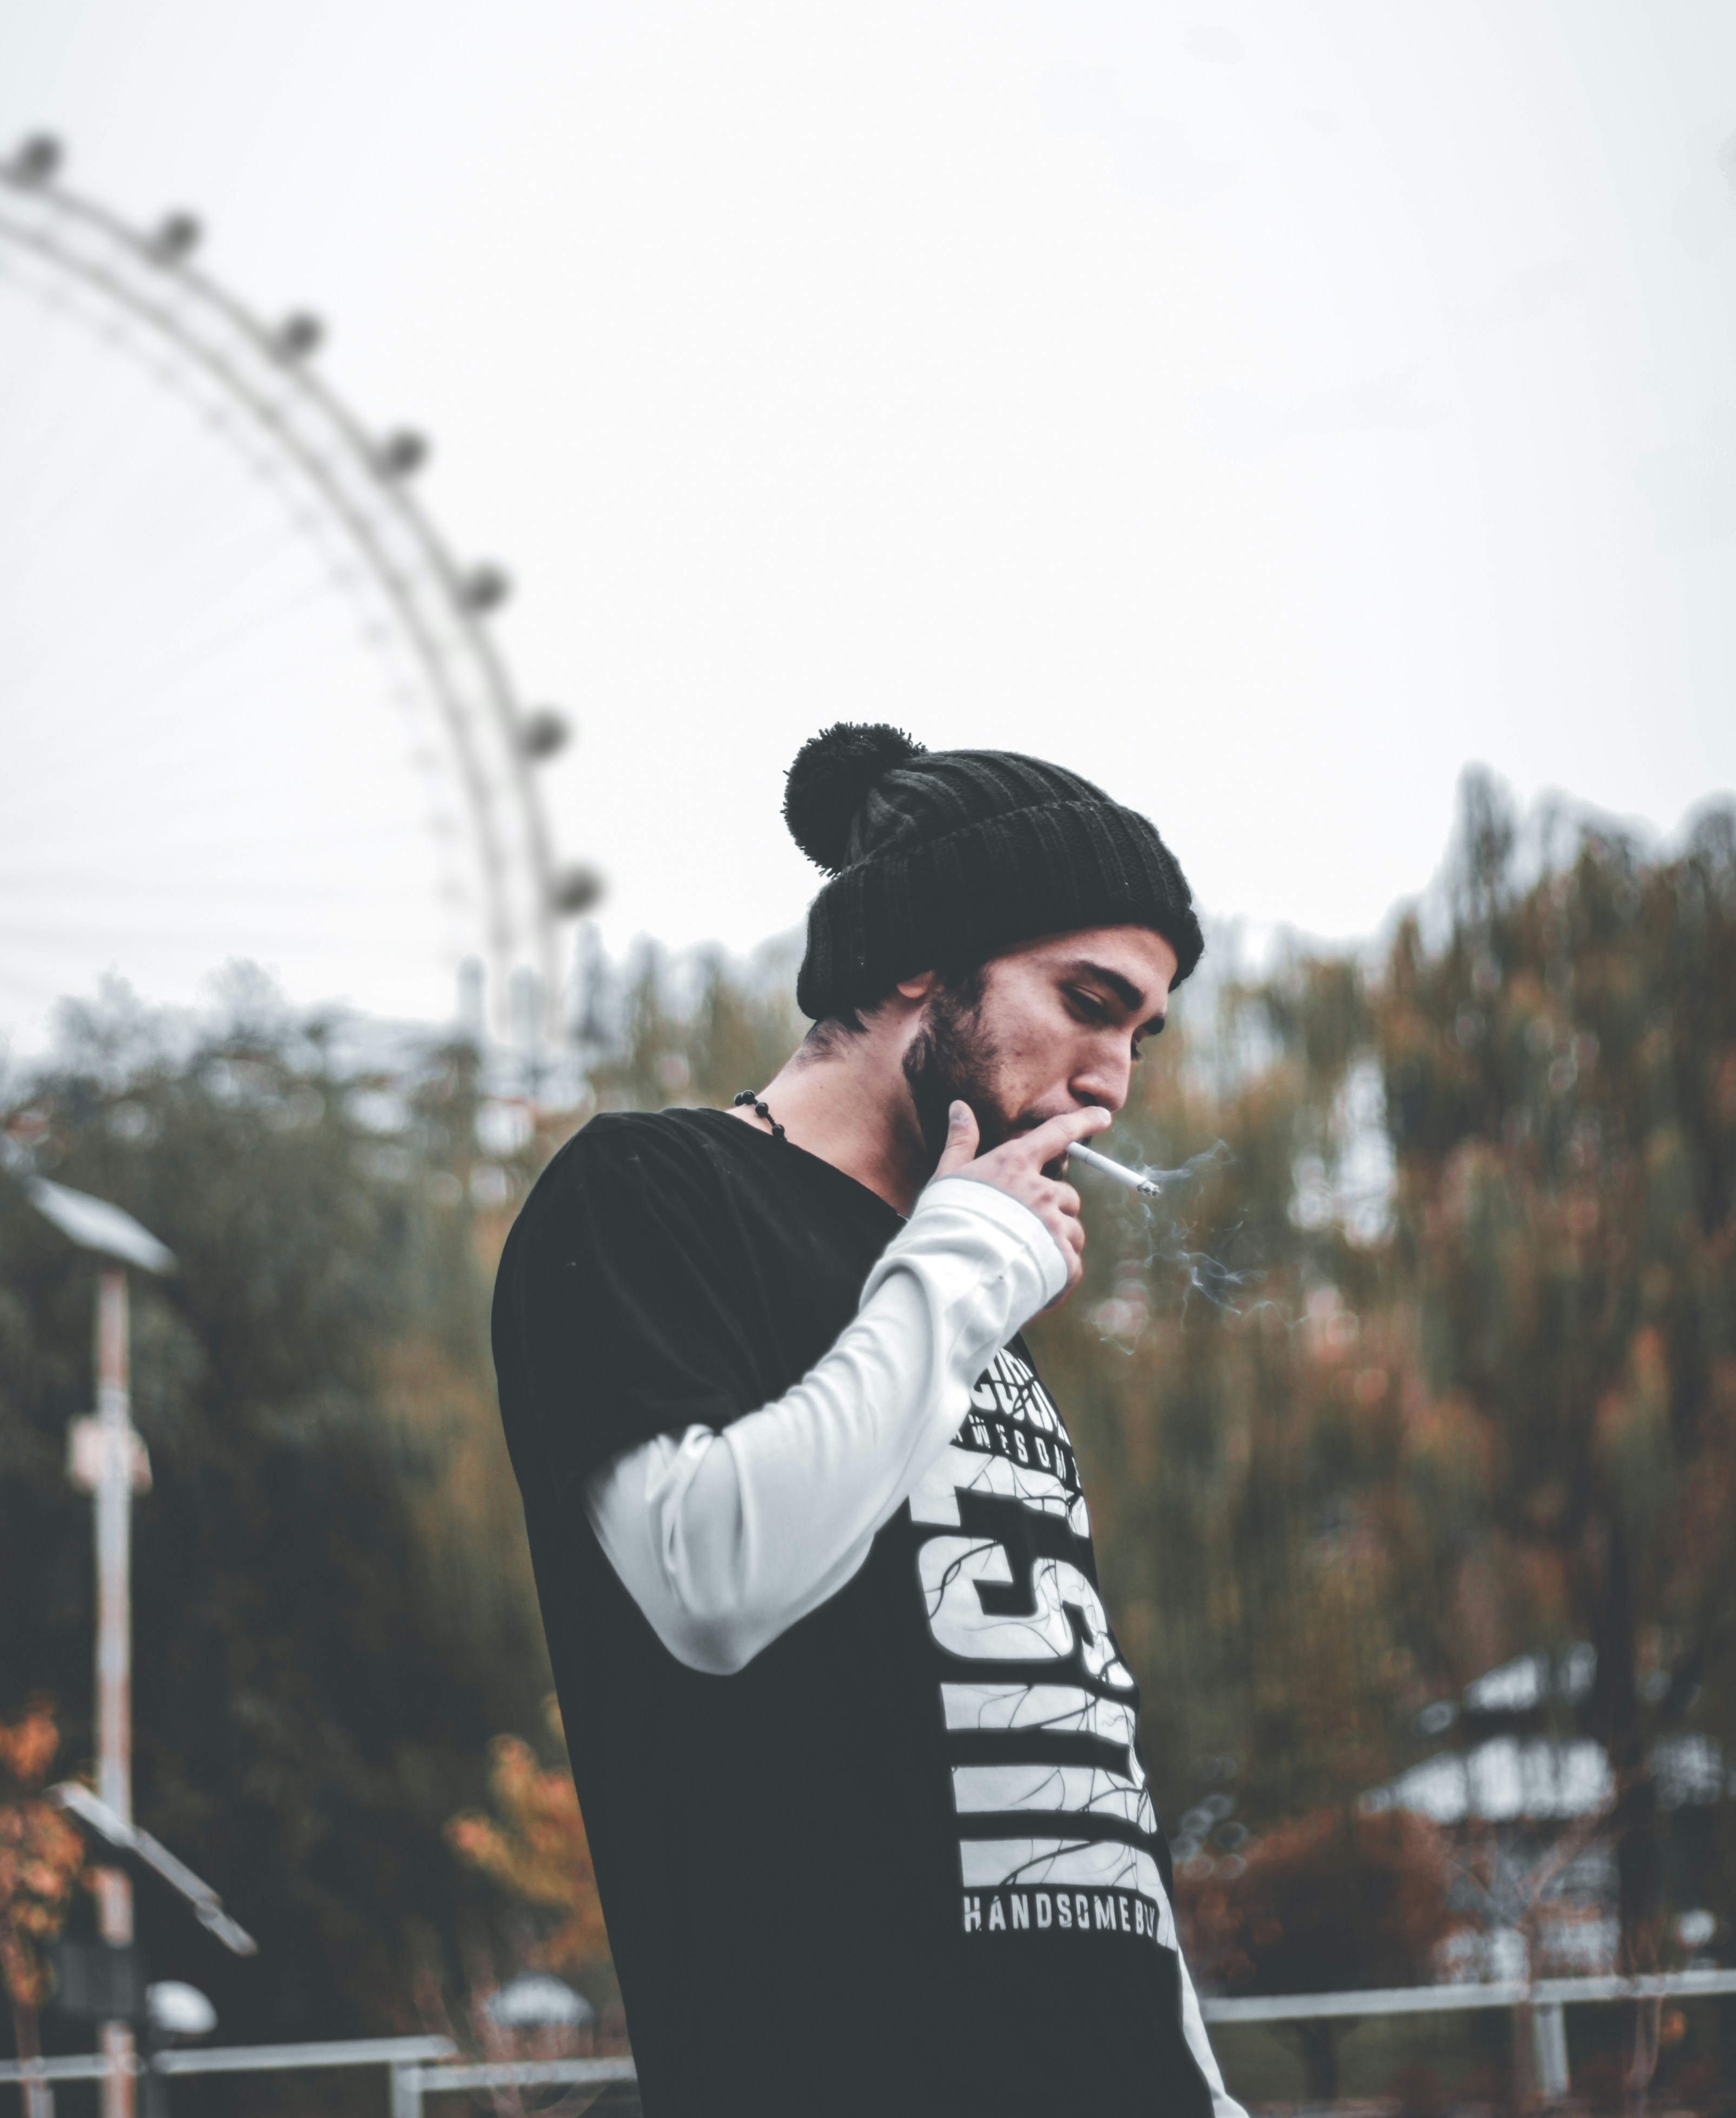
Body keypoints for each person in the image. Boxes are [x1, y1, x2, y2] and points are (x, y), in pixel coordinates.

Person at [492, 722, 1245, 2118]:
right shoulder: (654, 1196)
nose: (1115, 1080)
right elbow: (709, 1580)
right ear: (918, 958)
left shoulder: (960, 1286)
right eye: (1086, 999)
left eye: (1140, 1032)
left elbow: (1081, 1767)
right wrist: (961, 1275)